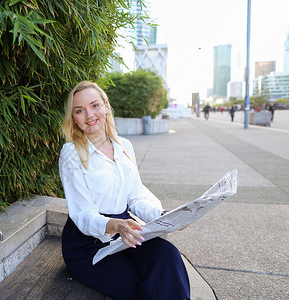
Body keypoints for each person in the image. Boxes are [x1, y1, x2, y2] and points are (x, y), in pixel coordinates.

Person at [58, 81, 190, 300]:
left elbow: (136, 196)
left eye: (95, 105)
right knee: (139, 284)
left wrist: (165, 217)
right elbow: (82, 214)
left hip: (125, 233)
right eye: (79, 111)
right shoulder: (71, 153)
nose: (89, 114)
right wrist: (116, 225)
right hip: (87, 243)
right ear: (74, 118)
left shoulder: (124, 146)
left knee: (168, 257)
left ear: (106, 106)